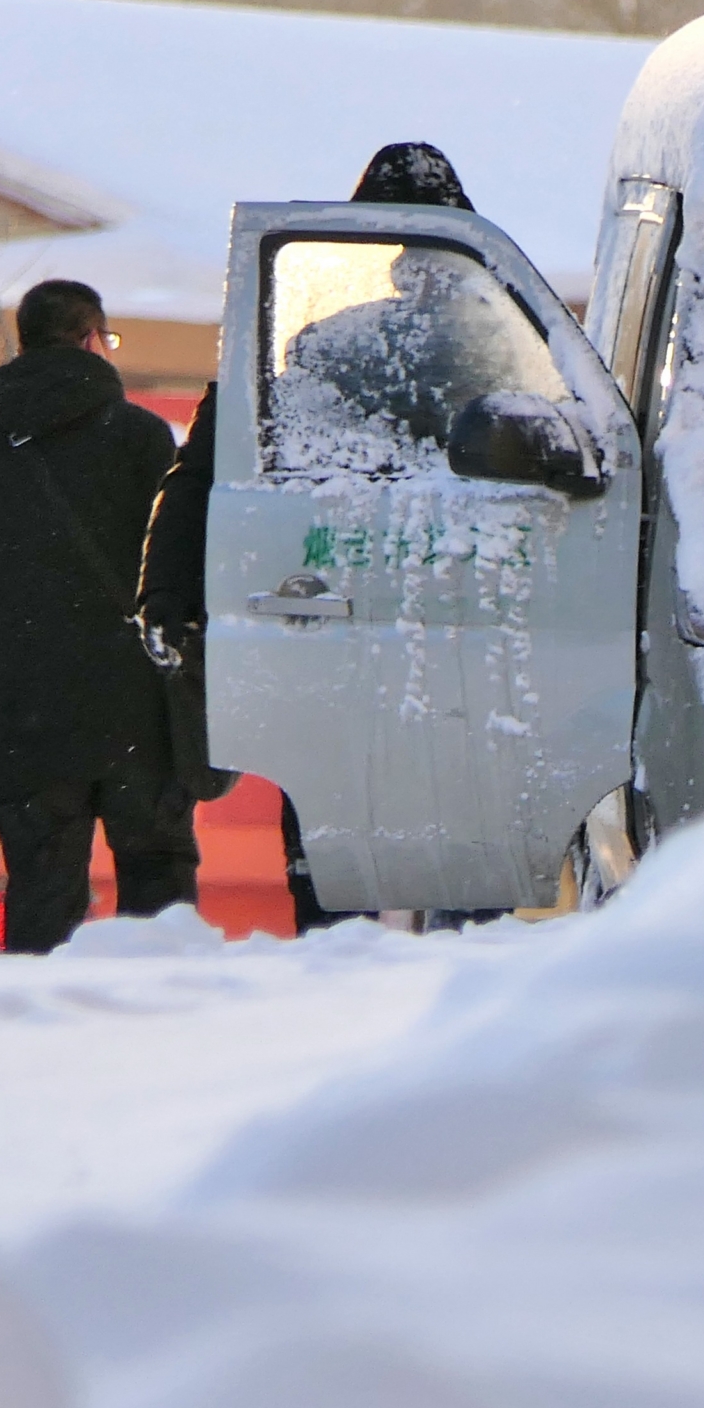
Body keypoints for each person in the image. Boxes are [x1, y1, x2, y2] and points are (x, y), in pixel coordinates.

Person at [139, 142, 479, 932]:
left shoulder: (320, 344)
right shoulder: (495, 351)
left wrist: (165, 592)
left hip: (330, 613)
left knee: (331, 838)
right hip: (452, 621)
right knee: (458, 838)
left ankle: (342, 955)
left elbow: (201, 476)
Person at [0, 280, 196, 952]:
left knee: (41, 906)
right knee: (159, 899)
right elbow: (179, 577)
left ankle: (42, 1046)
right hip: (139, 716)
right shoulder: (144, 439)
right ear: (90, 339)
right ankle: (170, 1044)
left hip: (26, 717)